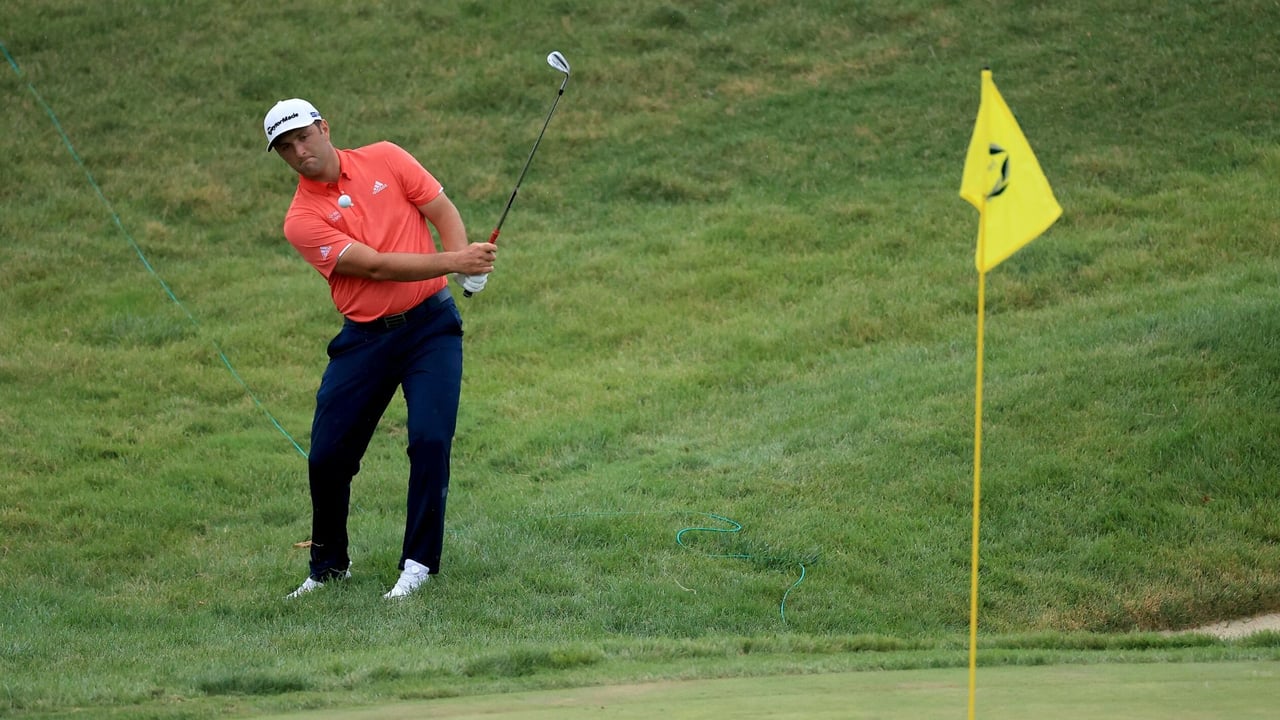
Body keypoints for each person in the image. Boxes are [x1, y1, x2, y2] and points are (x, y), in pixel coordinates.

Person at [262, 98, 497, 599]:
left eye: (303, 136)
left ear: (324, 128)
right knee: (327, 456)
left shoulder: (386, 157)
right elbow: (372, 266)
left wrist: (466, 270)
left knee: (430, 439)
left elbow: (440, 209)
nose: (298, 151)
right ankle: (328, 568)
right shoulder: (301, 219)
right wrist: (455, 259)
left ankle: (418, 564)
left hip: (430, 327)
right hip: (365, 338)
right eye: (285, 147)